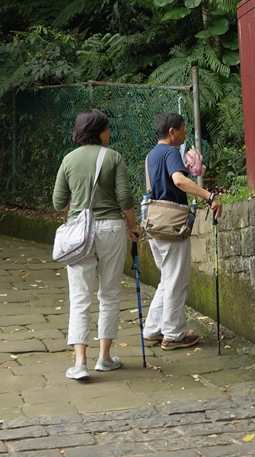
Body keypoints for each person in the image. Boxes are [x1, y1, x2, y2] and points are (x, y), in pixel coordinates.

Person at [52, 108, 139, 381]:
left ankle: (79, 363)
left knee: (80, 297)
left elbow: (57, 203)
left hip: (80, 233)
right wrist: (132, 226)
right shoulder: (113, 157)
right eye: (107, 129)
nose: (109, 134)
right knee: (110, 292)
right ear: (100, 131)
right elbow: (124, 197)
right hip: (112, 229)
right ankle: (105, 357)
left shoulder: (68, 160)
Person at [142, 112, 221, 351]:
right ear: (172, 132)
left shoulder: (151, 155)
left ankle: (154, 329)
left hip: (155, 225)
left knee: (168, 279)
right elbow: (177, 180)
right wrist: (209, 196)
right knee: (177, 280)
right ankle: (173, 335)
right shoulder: (170, 152)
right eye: (183, 129)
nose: (186, 133)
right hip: (172, 227)